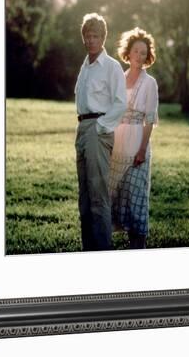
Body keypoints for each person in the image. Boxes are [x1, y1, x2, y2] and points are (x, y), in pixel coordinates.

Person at [75, 13, 127, 251]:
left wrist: (100, 127)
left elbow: (120, 103)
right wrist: (87, 129)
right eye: (87, 35)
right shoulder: (85, 66)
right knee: (84, 196)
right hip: (83, 129)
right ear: (83, 38)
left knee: (98, 196)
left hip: (98, 129)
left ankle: (103, 252)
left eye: (96, 36)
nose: (91, 40)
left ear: (103, 38)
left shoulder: (111, 67)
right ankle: (89, 251)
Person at [109, 27, 159, 249]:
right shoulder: (118, 78)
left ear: (147, 56)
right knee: (117, 195)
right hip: (118, 142)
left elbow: (150, 120)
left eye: (143, 52)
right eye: (136, 51)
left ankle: (139, 246)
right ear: (127, 53)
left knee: (136, 196)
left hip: (138, 142)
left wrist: (141, 150)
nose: (139, 56)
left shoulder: (150, 84)